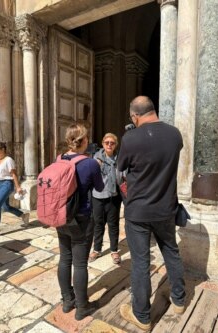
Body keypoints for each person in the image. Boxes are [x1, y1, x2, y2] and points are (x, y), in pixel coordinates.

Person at [117, 96, 186, 331]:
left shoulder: (130, 138)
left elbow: (121, 168)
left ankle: (142, 316)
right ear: (153, 110)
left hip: (138, 211)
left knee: (140, 262)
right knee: (171, 252)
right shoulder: (175, 134)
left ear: (134, 116)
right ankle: (179, 300)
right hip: (166, 208)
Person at [56, 124, 104, 321]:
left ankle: (68, 301)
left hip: (61, 217)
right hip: (81, 219)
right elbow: (100, 188)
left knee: (65, 258)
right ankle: (82, 307)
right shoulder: (90, 163)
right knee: (80, 264)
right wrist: (98, 168)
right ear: (83, 141)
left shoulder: (58, 159)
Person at [89, 133, 122, 264]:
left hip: (113, 196)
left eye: (112, 143)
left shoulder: (119, 158)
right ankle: (97, 249)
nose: (109, 145)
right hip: (98, 195)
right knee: (98, 223)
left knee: (113, 224)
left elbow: (123, 175)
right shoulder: (95, 158)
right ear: (102, 143)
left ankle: (114, 250)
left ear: (115, 145)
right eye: (107, 142)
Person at [0, 142, 29, 229]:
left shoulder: (8, 160)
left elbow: (14, 174)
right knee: (6, 207)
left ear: (3, 149)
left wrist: (18, 187)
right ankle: (23, 215)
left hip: (7, 184)